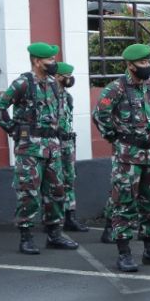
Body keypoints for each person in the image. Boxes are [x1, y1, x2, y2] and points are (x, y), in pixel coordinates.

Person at [91, 42, 150, 272]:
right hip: (128, 159)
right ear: (129, 65)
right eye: (142, 63)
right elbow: (99, 115)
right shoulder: (115, 89)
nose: (147, 66)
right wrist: (116, 138)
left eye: (149, 62)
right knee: (124, 205)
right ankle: (125, 253)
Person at [0, 42, 77, 255]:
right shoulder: (23, 83)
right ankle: (26, 237)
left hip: (52, 147)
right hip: (29, 148)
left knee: (56, 191)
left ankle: (54, 234)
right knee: (28, 192)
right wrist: (13, 129)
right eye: (49, 60)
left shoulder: (54, 84)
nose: (53, 63)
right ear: (37, 61)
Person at [53, 62, 89, 233]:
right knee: (52, 181)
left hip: (67, 143)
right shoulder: (48, 96)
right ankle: (52, 220)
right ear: (58, 76)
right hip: (52, 143)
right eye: (66, 76)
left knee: (69, 180)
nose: (69, 79)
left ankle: (70, 218)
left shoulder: (67, 97)